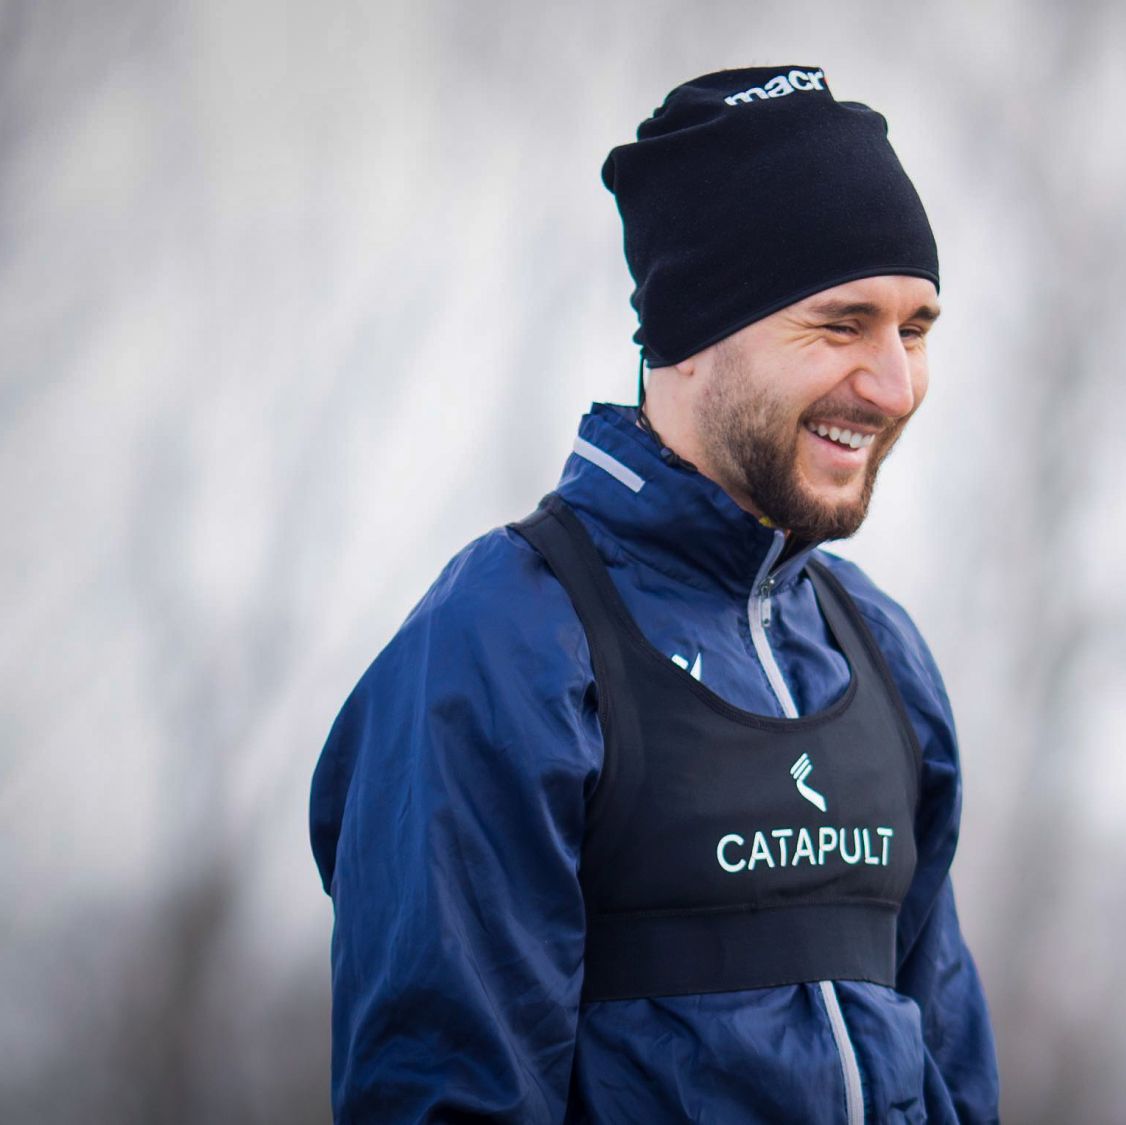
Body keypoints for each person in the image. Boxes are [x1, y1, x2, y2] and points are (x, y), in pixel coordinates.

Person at [308, 64, 1000, 1123]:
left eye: (914, 329)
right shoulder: (503, 646)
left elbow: (950, 1074)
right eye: (841, 324)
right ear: (693, 335)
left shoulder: (878, 649)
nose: (894, 384)